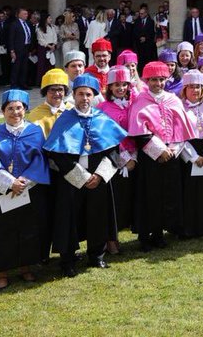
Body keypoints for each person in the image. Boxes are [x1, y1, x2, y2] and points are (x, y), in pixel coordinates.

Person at [42, 74, 125, 276]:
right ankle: (68, 260)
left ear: (93, 96)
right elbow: (56, 154)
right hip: (72, 180)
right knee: (69, 219)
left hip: (98, 179)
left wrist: (98, 175)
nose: (84, 98)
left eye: (88, 94)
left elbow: (114, 152)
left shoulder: (102, 119)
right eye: (80, 94)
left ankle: (97, 255)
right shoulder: (65, 119)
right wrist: (82, 177)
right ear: (74, 95)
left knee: (98, 216)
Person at [0, 88, 51, 290]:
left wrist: (23, 182)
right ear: (3, 111)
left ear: (25, 109)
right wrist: (10, 183)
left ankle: (25, 268)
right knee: (2, 232)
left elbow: (40, 160)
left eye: (19, 108)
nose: (15, 112)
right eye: (10, 108)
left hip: (28, 190)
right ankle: (2, 273)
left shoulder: (35, 132)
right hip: (1, 191)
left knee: (27, 229)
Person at [128, 60, 195, 250]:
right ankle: (144, 235)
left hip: (171, 155)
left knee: (167, 195)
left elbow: (181, 128)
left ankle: (159, 233)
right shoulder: (140, 100)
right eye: (154, 80)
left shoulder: (173, 99)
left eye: (161, 80)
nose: (158, 84)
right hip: (150, 157)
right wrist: (159, 151)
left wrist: (172, 149)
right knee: (148, 195)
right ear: (147, 80)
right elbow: (139, 132)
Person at [96, 67, 137, 253]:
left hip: (136, 155)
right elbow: (104, 137)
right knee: (114, 198)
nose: (121, 88)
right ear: (110, 87)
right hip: (114, 158)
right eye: (117, 85)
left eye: (124, 84)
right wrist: (123, 158)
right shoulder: (102, 108)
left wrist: (134, 156)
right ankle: (112, 237)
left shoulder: (134, 104)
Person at [178, 70, 203, 238]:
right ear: (185, 89)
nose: (195, 91)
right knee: (188, 193)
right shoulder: (179, 107)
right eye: (192, 87)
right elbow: (177, 136)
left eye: (199, 87)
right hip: (188, 154)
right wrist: (194, 158)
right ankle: (188, 228)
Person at [28, 68, 73, 138]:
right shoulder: (35, 114)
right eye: (52, 90)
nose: (57, 93)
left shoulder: (72, 110)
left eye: (60, 89)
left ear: (65, 91)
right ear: (45, 92)